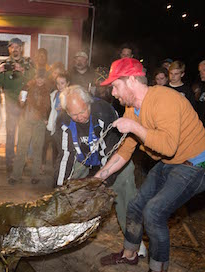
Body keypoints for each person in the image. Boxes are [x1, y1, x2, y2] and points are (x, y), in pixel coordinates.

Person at [96, 58, 205, 272]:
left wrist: (134, 128)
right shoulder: (132, 109)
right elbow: (125, 151)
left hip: (195, 165)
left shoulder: (165, 99)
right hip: (172, 163)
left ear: (130, 80)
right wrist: (99, 177)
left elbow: (168, 147)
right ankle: (129, 254)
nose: (113, 93)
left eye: (115, 86)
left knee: (154, 212)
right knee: (137, 204)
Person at [53, 84, 146, 256]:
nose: (79, 117)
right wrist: (59, 188)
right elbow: (65, 155)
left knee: (124, 187)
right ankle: (65, 232)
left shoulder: (104, 113)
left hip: (114, 158)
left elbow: (112, 152)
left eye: (82, 111)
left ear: (88, 103)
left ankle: (134, 241)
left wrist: (99, 185)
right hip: (82, 156)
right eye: (74, 114)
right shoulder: (63, 121)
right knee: (66, 190)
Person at [0, 38, 35, 172]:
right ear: (9, 49)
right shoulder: (5, 64)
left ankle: (21, 161)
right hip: (11, 102)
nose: (15, 49)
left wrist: (22, 71)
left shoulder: (28, 62)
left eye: (17, 47)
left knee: (24, 133)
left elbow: (35, 81)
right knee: (10, 133)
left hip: (26, 102)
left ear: (21, 48)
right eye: (12, 47)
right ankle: (9, 163)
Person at [8, 69, 51, 185]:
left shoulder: (48, 90)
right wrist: (21, 102)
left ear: (45, 79)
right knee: (22, 147)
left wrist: (46, 118)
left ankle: (35, 175)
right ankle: (15, 175)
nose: (40, 80)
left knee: (38, 148)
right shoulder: (26, 87)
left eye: (42, 78)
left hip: (40, 122)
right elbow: (20, 103)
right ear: (34, 77)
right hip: (26, 119)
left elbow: (49, 106)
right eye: (38, 77)